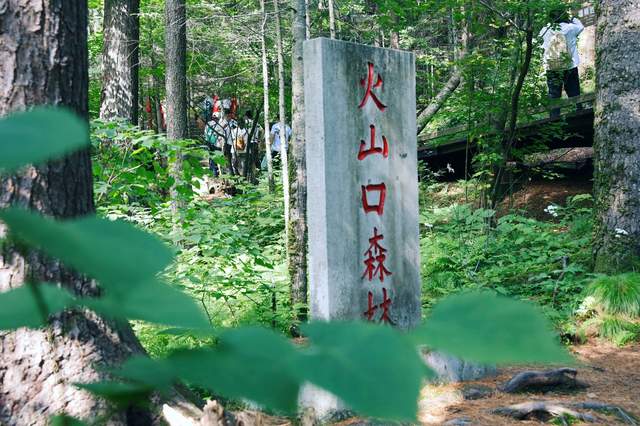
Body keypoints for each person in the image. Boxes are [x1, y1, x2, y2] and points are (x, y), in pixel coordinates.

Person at [539, 9, 584, 118]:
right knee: (574, 92)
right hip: (570, 65)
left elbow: (540, 40)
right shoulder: (571, 28)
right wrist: (573, 18)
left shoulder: (545, 30)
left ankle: (554, 119)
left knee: (554, 95)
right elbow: (581, 26)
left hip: (552, 67)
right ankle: (578, 115)